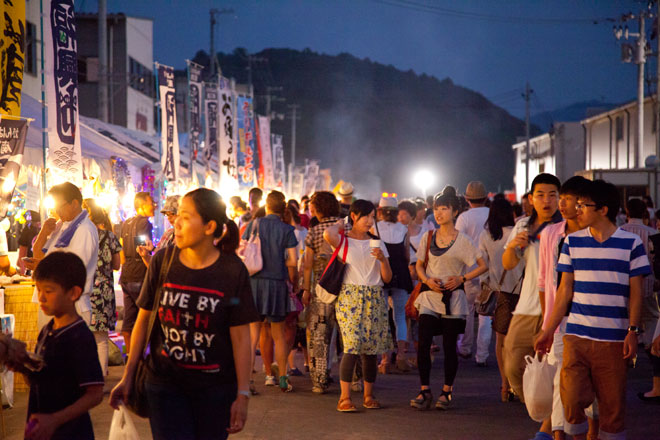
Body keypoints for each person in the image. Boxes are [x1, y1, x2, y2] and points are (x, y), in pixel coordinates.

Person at [110, 188, 257, 440]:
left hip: (215, 389)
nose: (176, 221)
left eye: (186, 217)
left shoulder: (232, 271)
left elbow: (241, 338)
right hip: (164, 385)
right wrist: (128, 375)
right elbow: (143, 321)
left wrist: (242, 394)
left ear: (209, 226)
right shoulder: (163, 261)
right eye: (177, 215)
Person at [535, 180, 652, 440]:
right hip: (576, 336)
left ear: (603, 210)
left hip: (613, 340)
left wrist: (633, 331)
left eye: (583, 206)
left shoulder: (631, 244)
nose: (577, 211)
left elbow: (636, 294)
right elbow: (564, 291)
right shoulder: (572, 243)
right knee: (572, 397)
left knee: (612, 407)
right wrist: (547, 330)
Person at [410, 192, 487, 410]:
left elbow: (483, 265)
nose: (439, 213)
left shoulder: (463, 240)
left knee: (449, 346)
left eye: (444, 209)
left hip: (454, 298)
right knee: (424, 343)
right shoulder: (428, 236)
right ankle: (424, 389)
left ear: (454, 212)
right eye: (436, 209)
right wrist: (427, 279)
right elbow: (419, 265)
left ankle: (446, 391)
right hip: (429, 295)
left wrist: (462, 278)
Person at [536, 176, 595, 440]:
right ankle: (556, 434)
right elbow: (544, 281)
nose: (562, 203)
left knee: (590, 381)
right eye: (562, 198)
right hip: (560, 320)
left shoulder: (593, 234)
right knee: (561, 381)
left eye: (568, 199)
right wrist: (546, 324)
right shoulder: (551, 233)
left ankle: (590, 431)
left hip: (591, 319)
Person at [27, 252, 104, 439]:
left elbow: (95, 393)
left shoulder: (79, 337)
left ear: (74, 293)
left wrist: (55, 419)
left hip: (71, 433)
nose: (42, 298)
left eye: (49, 290)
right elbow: (41, 380)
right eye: (39, 290)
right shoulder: (47, 330)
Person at [324, 200, 393, 412]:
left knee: (370, 350)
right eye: (367, 216)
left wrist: (383, 260)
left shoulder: (378, 243)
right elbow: (328, 233)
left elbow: (387, 278)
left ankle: (368, 395)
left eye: (373, 217)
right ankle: (344, 398)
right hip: (350, 297)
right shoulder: (343, 241)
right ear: (354, 216)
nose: (371, 221)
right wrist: (343, 221)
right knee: (352, 346)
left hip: (374, 297)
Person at [501, 173, 561, 409]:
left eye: (552, 195)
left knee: (554, 366)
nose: (546, 200)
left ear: (559, 198)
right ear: (531, 199)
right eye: (540, 195)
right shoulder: (523, 226)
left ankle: (550, 420)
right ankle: (540, 408)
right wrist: (514, 246)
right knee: (513, 365)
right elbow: (508, 264)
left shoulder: (566, 227)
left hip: (558, 308)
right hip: (527, 307)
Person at [244, 190, 299, 392]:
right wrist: (278, 262)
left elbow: (243, 250)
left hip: (254, 283)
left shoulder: (253, 224)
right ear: (283, 209)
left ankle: (248, 380)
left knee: (253, 334)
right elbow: (293, 261)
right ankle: (283, 378)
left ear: (266, 206)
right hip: (276, 285)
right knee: (279, 334)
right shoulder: (287, 229)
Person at [31, 182, 99, 326]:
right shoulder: (61, 225)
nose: (57, 211)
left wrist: (43, 267)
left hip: (71, 305)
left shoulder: (85, 229)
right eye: (54, 207)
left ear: (74, 203)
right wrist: (43, 233)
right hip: (53, 302)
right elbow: (38, 253)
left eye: (59, 207)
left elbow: (74, 268)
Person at [477, 197, 523, 403]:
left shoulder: (487, 235)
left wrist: (488, 284)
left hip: (502, 292)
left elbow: (483, 267)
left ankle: (505, 386)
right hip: (524, 293)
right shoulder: (519, 234)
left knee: (502, 341)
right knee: (522, 342)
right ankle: (520, 384)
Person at [620, 198, 660, 403]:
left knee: (627, 325)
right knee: (653, 325)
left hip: (626, 288)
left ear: (626, 211)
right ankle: (653, 357)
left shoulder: (621, 232)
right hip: (650, 287)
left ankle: (628, 358)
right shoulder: (652, 233)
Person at [302, 191, 341, 393]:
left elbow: (307, 264)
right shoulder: (347, 227)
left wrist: (306, 289)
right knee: (348, 334)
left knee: (320, 332)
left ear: (318, 209)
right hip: (347, 284)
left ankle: (319, 380)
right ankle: (354, 378)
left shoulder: (315, 231)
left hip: (322, 285)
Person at [455, 180, 492, 365]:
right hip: (490, 270)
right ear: (486, 198)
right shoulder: (492, 214)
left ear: (467, 199)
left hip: (469, 270)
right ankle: (482, 355)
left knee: (468, 310)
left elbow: (457, 241)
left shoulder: (464, 218)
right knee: (486, 313)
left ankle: (465, 347)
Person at [376, 196, 413, 373]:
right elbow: (407, 256)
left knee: (382, 317)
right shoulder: (404, 229)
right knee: (400, 317)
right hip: (401, 275)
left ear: (380, 211)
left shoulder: (374, 228)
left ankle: (384, 360)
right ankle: (401, 356)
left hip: (381, 275)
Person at [86, 203, 122, 378]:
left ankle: (87, 376)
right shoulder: (110, 237)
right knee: (101, 338)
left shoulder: (82, 236)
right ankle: (99, 377)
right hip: (104, 291)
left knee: (84, 335)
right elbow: (117, 265)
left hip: (84, 290)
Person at [118, 191, 154, 352]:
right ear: (141, 205)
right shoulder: (144, 223)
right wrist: (151, 249)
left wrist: (125, 265)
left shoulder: (126, 223)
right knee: (145, 319)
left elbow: (121, 248)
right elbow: (143, 247)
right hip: (139, 275)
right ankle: (140, 357)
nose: (153, 206)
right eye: (150, 203)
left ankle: (130, 357)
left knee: (128, 321)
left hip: (126, 275)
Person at [136, 195, 180, 268]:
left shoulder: (188, 237)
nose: (169, 217)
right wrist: (145, 256)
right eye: (167, 214)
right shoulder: (167, 235)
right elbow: (156, 267)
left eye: (172, 213)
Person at [17, 210, 40, 275]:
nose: (38, 225)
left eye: (39, 222)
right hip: (30, 267)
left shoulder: (49, 228)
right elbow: (22, 251)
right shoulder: (27, 229)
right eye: (35, 222)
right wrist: (22, 271)